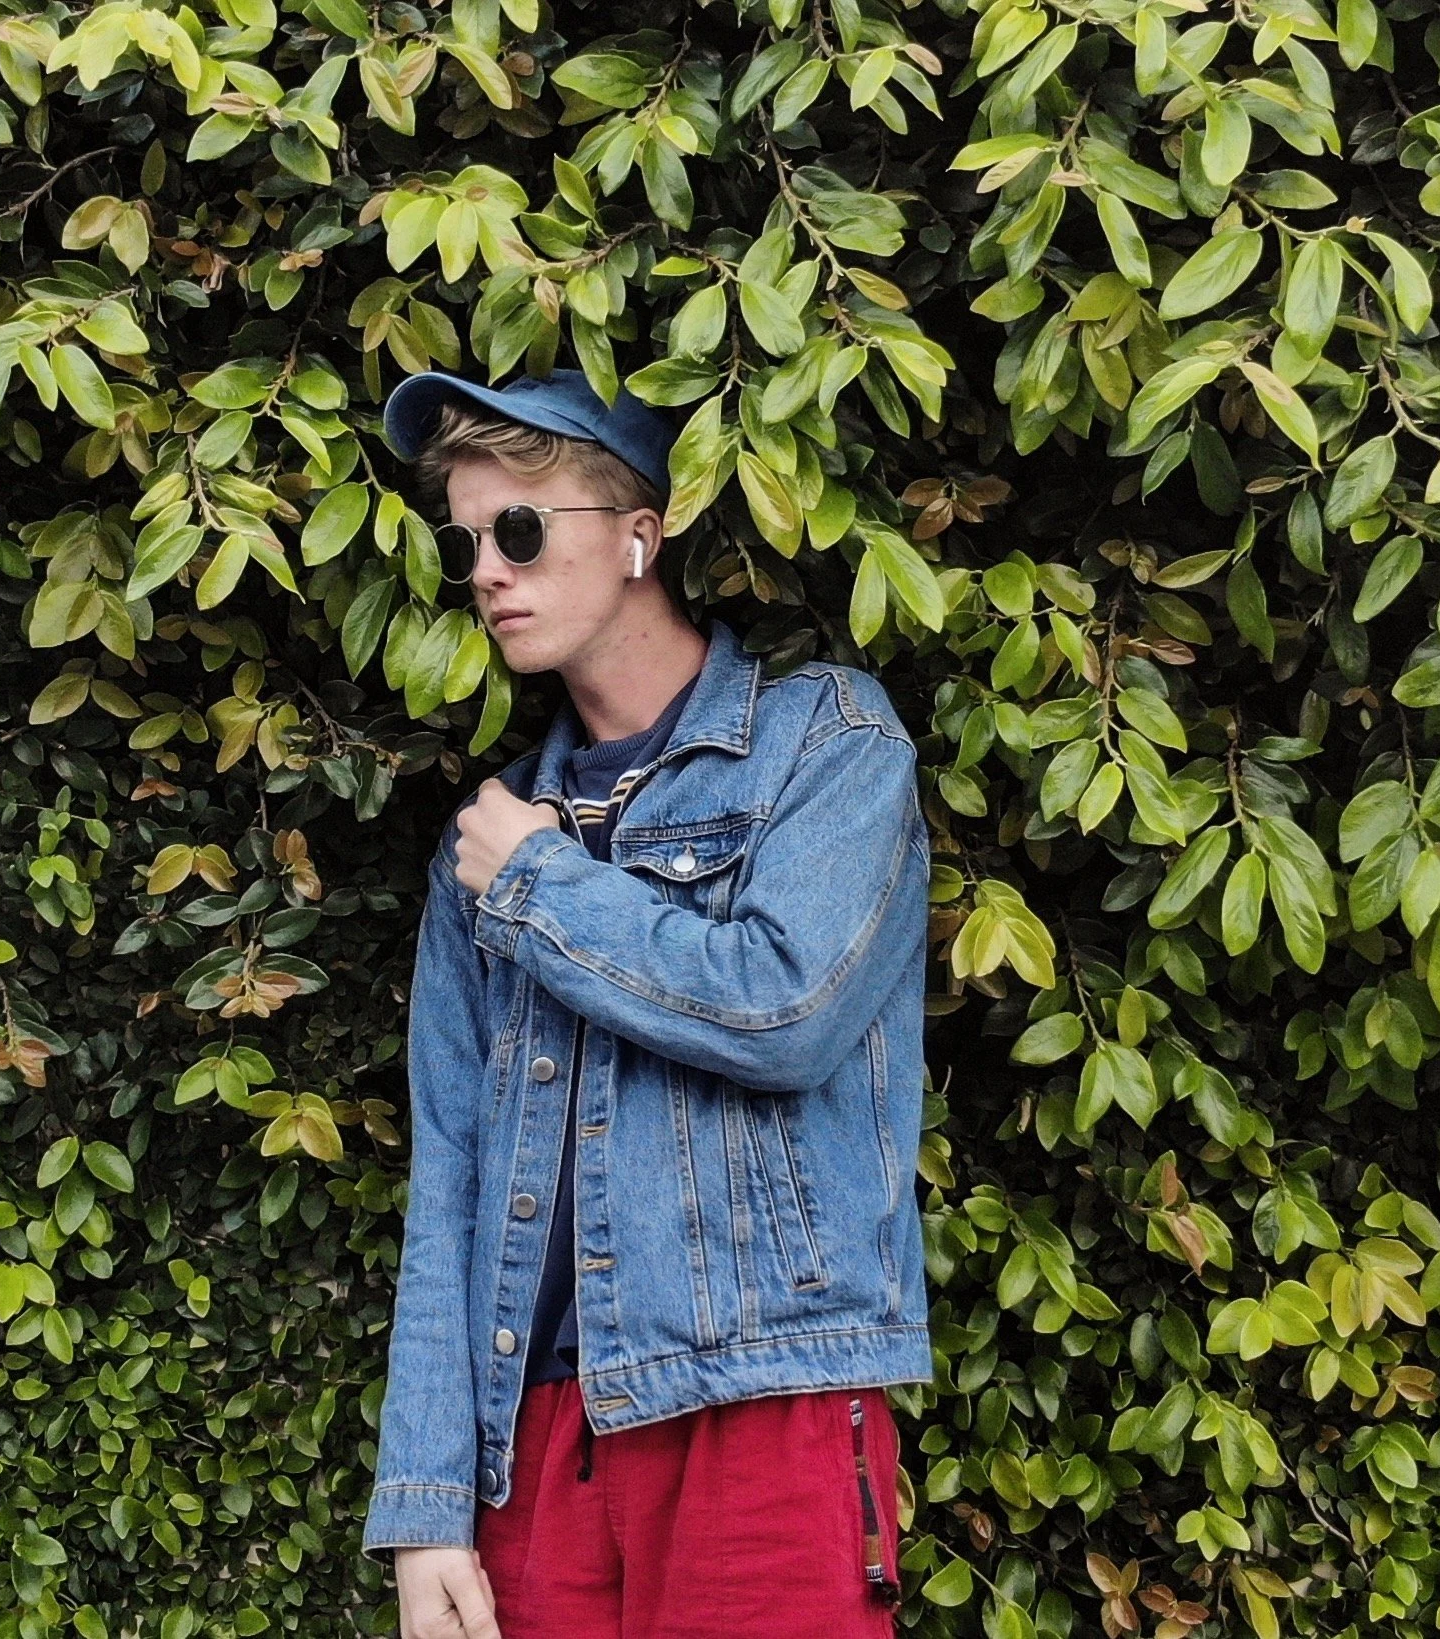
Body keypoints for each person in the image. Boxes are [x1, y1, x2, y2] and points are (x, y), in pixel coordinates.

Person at [362, 367, 932, 1639]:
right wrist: (425, 1502)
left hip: (761, 1399)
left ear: (637, 534)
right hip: (538, 1435)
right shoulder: (490, 841)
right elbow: (449, 1176)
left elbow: (784, 1013)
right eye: (465, 540)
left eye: (519, 527)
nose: (487, 570)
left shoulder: (825, 742)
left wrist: (542, 889)